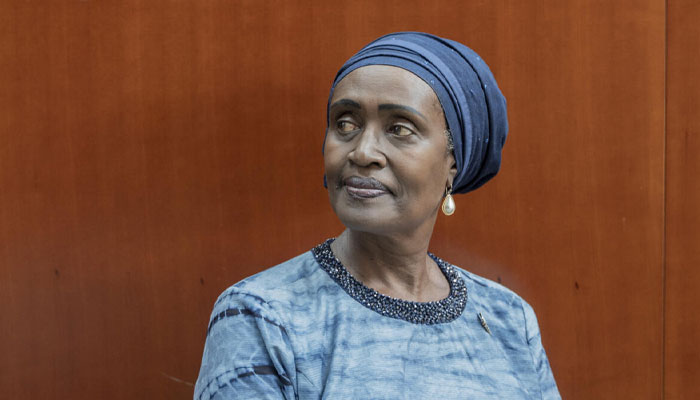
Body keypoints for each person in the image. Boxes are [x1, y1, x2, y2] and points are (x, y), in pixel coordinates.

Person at [194, 32, 560, 399]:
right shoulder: (262, 316)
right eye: (345, 124)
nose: (363, 152)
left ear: (453, 163)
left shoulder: (508, 318)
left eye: (399, 129)